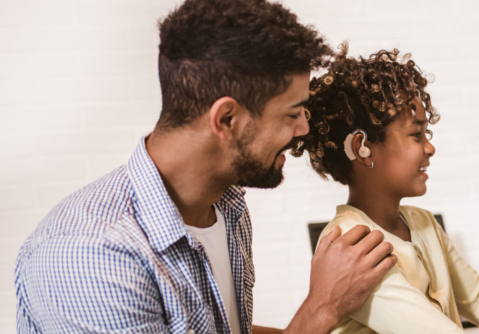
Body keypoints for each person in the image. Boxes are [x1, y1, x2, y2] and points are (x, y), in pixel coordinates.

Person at [14, 1, 396, 333]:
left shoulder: (227, 208)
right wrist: (321, 310)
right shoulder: (93, 258)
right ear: (226, 119)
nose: (304, 129)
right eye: (292, 114)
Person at [290, 44, 479, 333]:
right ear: (363, 148)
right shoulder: (352, 247)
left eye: (426, 134)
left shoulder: (423, 223)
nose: (430, 147)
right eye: (416, 135)